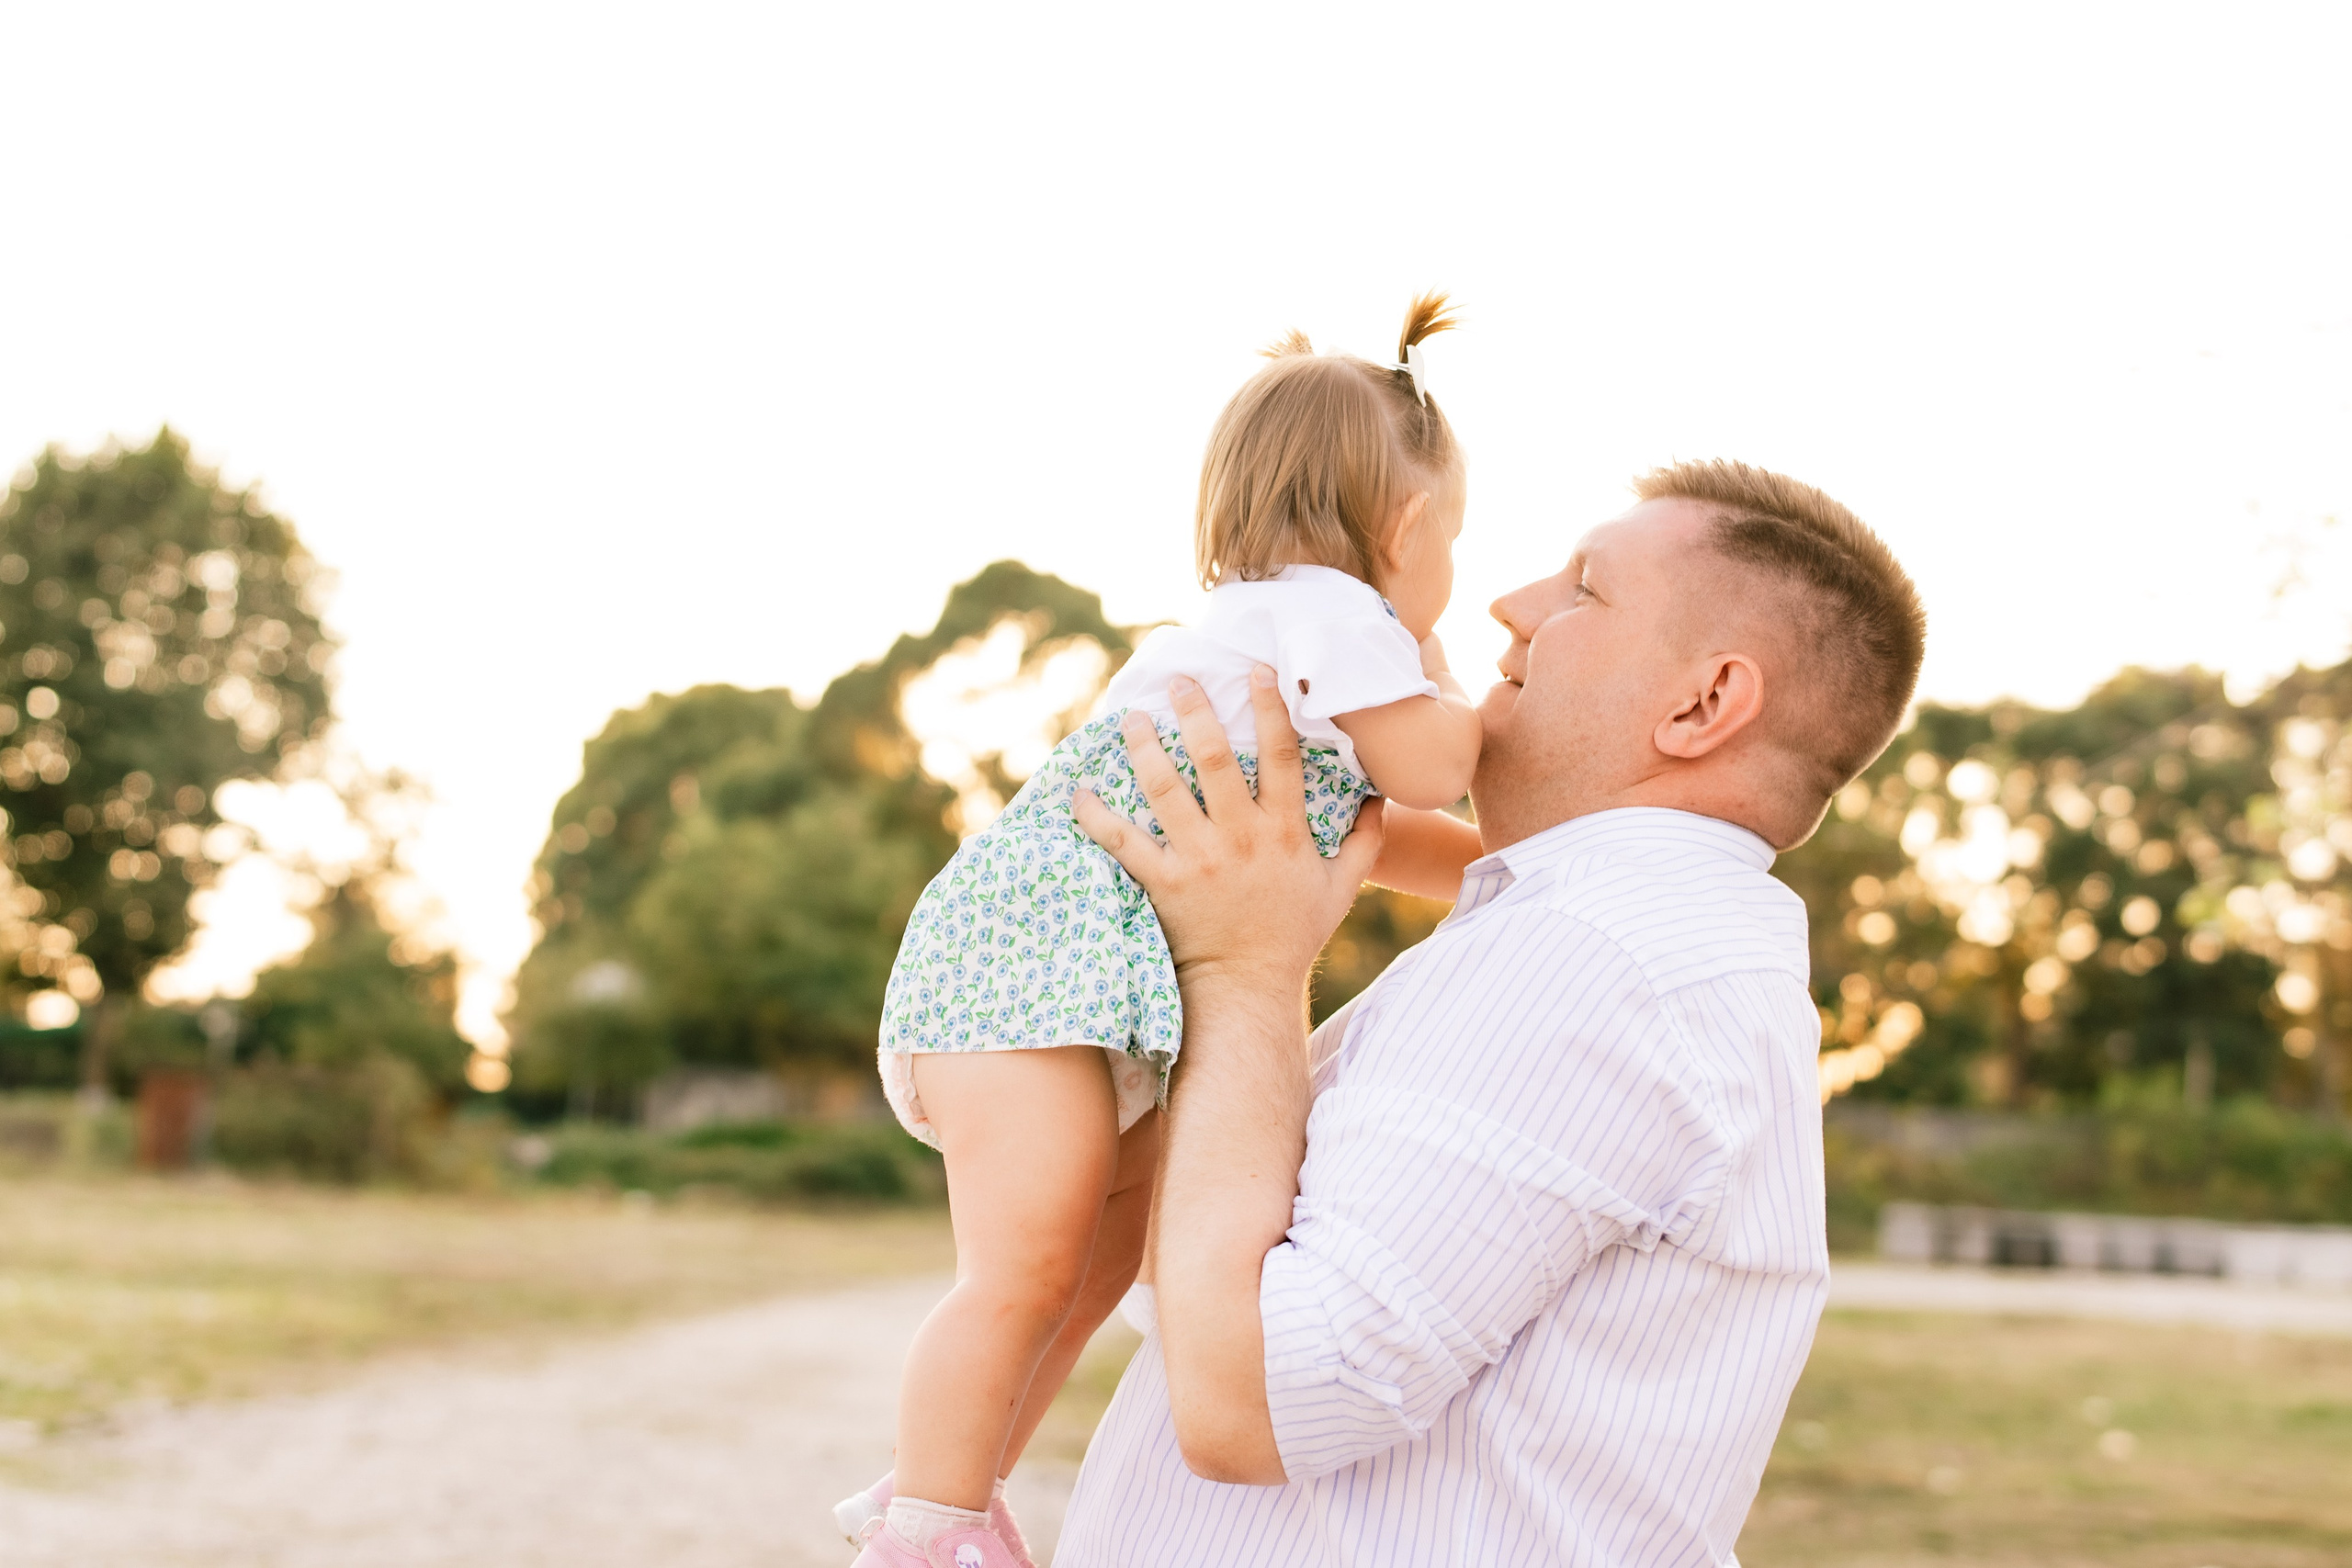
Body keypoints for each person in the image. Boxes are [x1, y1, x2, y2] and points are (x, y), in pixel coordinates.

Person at [1055, 459, 1926, 1566]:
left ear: (1703, 703)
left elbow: (1252, 1399)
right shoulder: (1620, 944)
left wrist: (1244, 963)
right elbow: (1200, 1272)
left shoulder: (1592, 959)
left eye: (1584, 590)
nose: (1509, 606)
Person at [839, 297, 1487, 1568]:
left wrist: (1516, 882)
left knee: (1092, 1265)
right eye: (1454, 542)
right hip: (1029, 973)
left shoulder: (1279, 642)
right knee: (1026, 1268)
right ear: (1409, 529)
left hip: (1078, 983)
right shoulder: (1339, 619)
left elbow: (1381, 836)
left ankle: (954, 1489)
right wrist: (1455, 679)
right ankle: (922, 1530)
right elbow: (1433, 768)